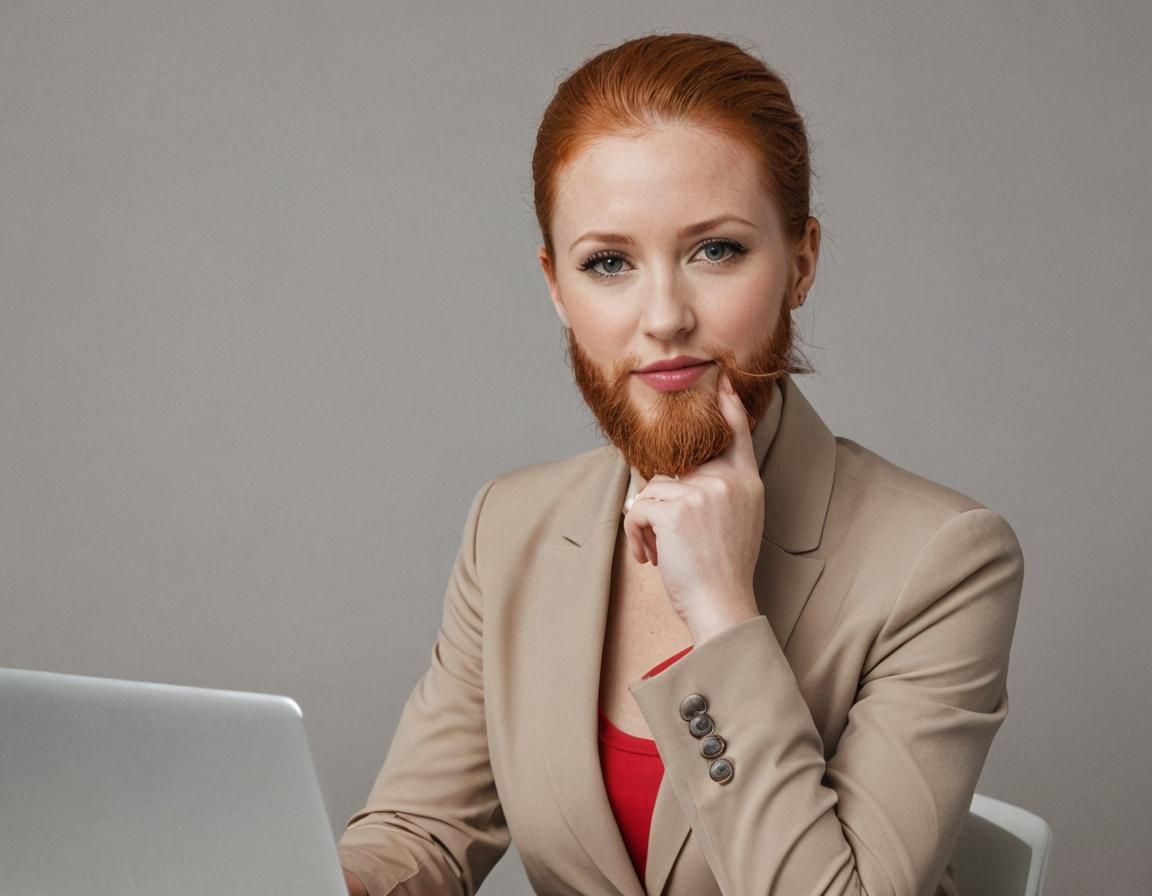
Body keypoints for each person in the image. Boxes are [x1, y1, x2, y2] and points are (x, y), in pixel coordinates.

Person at [338, 33, 1024, 896]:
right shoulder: (510, 527)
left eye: (716, 250)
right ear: (556, 287)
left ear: (801, 261)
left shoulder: (941, 559)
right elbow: (422, 834)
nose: (664, 317)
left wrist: (724, 611)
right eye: (609, 263)